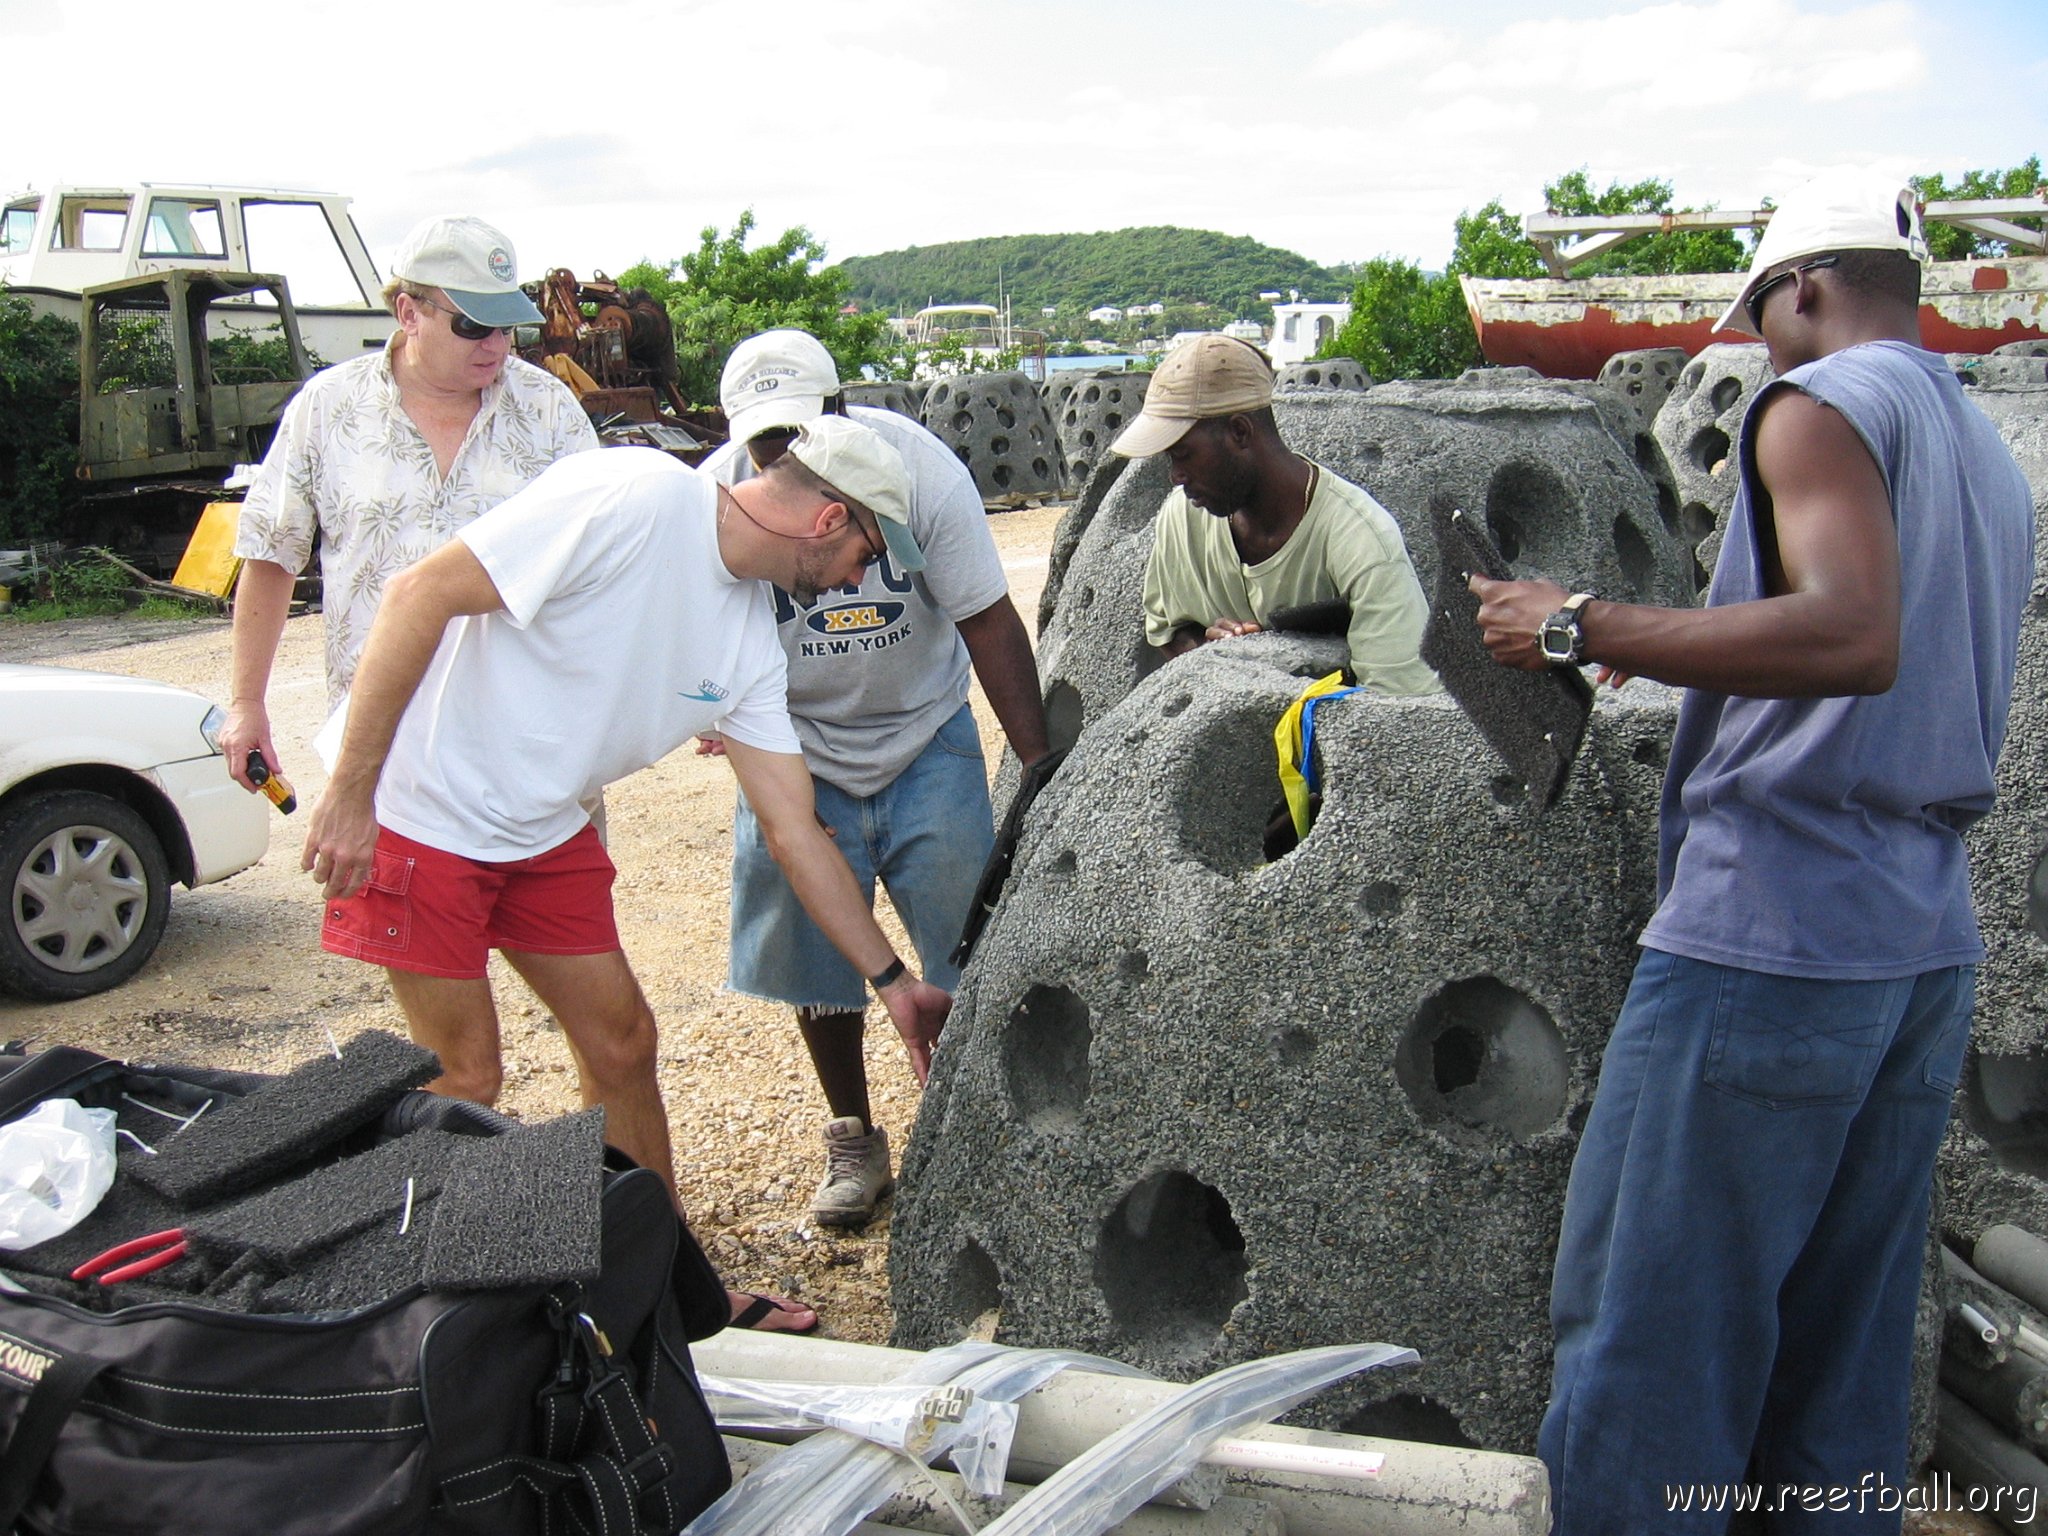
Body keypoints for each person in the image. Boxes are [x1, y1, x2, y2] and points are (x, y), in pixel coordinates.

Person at [1470, 169, 2033, 1530]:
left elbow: (1849, 632)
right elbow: (1883, 659)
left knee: (1650, 1346)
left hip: (1774, 940)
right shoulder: (1983, 452)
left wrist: (1577, 627)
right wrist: (1677, 661)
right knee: (1835, 1360)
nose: (1758, 349)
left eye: (1762, 314)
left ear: (1808, 289)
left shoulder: (1820, 402)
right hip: (1915, 944)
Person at [302, 418, 951, 1335]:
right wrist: (350, 795)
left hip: (538, 823)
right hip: (419, 801)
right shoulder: (637, 496)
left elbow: (795, 829)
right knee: (466, 1073)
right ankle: (355, 1286)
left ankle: (663, 1293)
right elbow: (419, 594)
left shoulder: (749, 644)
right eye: (865, 555)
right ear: (828, 518)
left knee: (622, 1044)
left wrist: (892, 985)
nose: (858, 581)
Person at [698, 330, 1048, 1228]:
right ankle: (853, 1133)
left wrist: (1040, 767)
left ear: (842, 411)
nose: (783, 456)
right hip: (797, 743)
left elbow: (986, 618)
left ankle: (977, 1123)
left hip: (922, 729)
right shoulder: (721, 494)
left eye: (800, 433)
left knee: (967, 933)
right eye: (765, 438)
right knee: (817, 949)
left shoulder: (921, 473)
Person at [223, 213, 598, 784]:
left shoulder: (550, 411)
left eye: (508, 326)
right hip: (383, 752)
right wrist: (247, 702)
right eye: (475, 325)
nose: (497, 345)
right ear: (408, 312)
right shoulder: (326, 410)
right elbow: (271, 554)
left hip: (532, 746)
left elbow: (603, 565)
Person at [1110, 333, 1437, 695]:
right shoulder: (1181, 516)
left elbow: (1399, 703)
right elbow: (1167, 631)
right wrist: (1211, 650)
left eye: (1183, 454)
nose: (1175, 476)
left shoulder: (1363, 540)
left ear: (1239, 432)